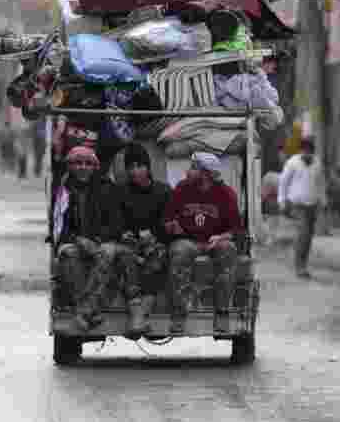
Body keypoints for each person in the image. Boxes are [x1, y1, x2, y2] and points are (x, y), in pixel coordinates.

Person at [163, 152, 242, 334]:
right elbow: (168, 218)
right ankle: (179, 314)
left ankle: (222, 313)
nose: (187, 171)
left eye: (192, 167)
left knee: (228, 250)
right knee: (179, 251)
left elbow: (237, 229)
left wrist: (221, 237)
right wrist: (172, 226)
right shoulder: (182, 188)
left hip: (215, 241)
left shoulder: (226, 194)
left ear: (205, 173)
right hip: (189, 241)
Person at [52, 146, 124, 331]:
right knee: (68, 254)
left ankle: (83, 310)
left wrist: (97, 240)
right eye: (78, 163)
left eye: (87, 163)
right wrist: (78, 240)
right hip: (73, 241)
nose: (83, 167)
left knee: (106, 253)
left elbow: (116, 224)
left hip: (102, 241)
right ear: (70, 166)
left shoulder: (107, 188)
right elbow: (59, 226)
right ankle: (90, 310)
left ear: (94, 166)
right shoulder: (62, 190)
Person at [115, 143, 172, 338]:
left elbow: (168, 224)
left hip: (154, 244)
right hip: (130, 244)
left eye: (139, 166)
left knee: (158, 254)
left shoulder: (163, 191)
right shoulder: (120, 192)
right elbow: (116, 222)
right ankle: (139, 315)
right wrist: (123, 234)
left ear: (148, 167)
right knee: (125, 255)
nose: (135, 171)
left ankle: (140, 316)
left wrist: (153, 236)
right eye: (130, 167)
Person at [278, 136, 322, 279]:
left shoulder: (317, 163)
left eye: (310, 151)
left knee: (308, 236)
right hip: (297, 204)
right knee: (303, 233)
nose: (307, 153)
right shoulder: (292, 163)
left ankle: (304, 264)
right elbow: (283, 182)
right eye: (305, 150)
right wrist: (282, 201)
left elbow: (321, 183)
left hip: (312, 205)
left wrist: (323, 201)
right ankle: (299, 266)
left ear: (313, 151)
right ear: (301, 150)